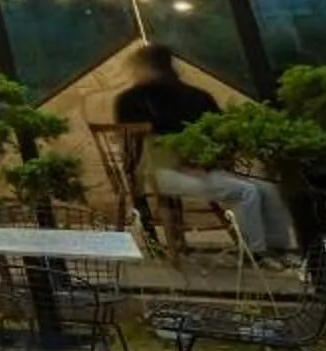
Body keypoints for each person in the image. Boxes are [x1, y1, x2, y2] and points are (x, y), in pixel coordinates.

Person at [110, 41, 295, 255]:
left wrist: (214, 161)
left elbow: (219, 132)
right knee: (247, 192)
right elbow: (136, 143)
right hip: (162, 169)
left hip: (200, 167)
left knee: (269, 189)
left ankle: (278, 249)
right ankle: (255, 253)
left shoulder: (194, 96)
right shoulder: (133, 100)